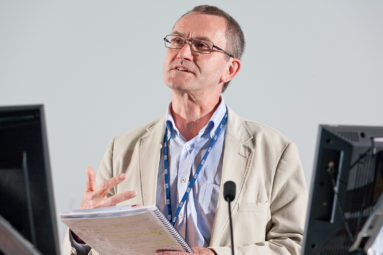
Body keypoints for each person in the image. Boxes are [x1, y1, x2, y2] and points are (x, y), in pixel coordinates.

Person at [63, 5, 308, 255]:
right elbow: (98, 250)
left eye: (201, 45)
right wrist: (83, 234)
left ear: (230, 69)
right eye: (177, 41)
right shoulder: (123, 148)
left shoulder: (275, 151)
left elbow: (296, 244)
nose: (183, 53)